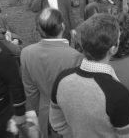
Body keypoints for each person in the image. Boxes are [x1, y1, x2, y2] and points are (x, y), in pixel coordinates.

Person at [49, 13, 129, 138]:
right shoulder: (118, 93)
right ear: (113, 49)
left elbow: (56, 123)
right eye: (118, 38)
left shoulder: (61, 79)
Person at [21, 8, 83, 138]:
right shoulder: (75, 56)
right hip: (67, 118)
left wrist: (40, 112)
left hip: (44, 113)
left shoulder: (26, 53)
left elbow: (30, 91)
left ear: (40, 29)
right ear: (63, 26)